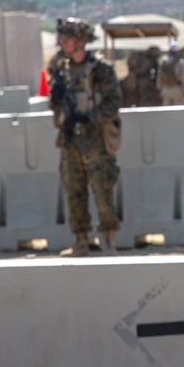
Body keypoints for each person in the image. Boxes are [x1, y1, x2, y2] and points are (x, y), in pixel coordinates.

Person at [47, 17, 122, 257]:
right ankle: (81, 240)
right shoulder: (61, 69)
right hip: (70, 139)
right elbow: (54, 104)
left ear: (80, 42)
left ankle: (109, 241)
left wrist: (91, 118)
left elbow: (113, 103)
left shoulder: (101, 69)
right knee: (74, 190)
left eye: (67, 39)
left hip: (96, 140)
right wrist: (56, 97)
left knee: (102, 189)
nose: (62, 43)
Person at [158, 41, 184, 106]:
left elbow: (159, 77)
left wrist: (159, 89)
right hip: (177, 89)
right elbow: (183, 78)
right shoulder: (179, 63)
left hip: (165, 89)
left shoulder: (163, 62)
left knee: (166, 111)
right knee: (178, 112)